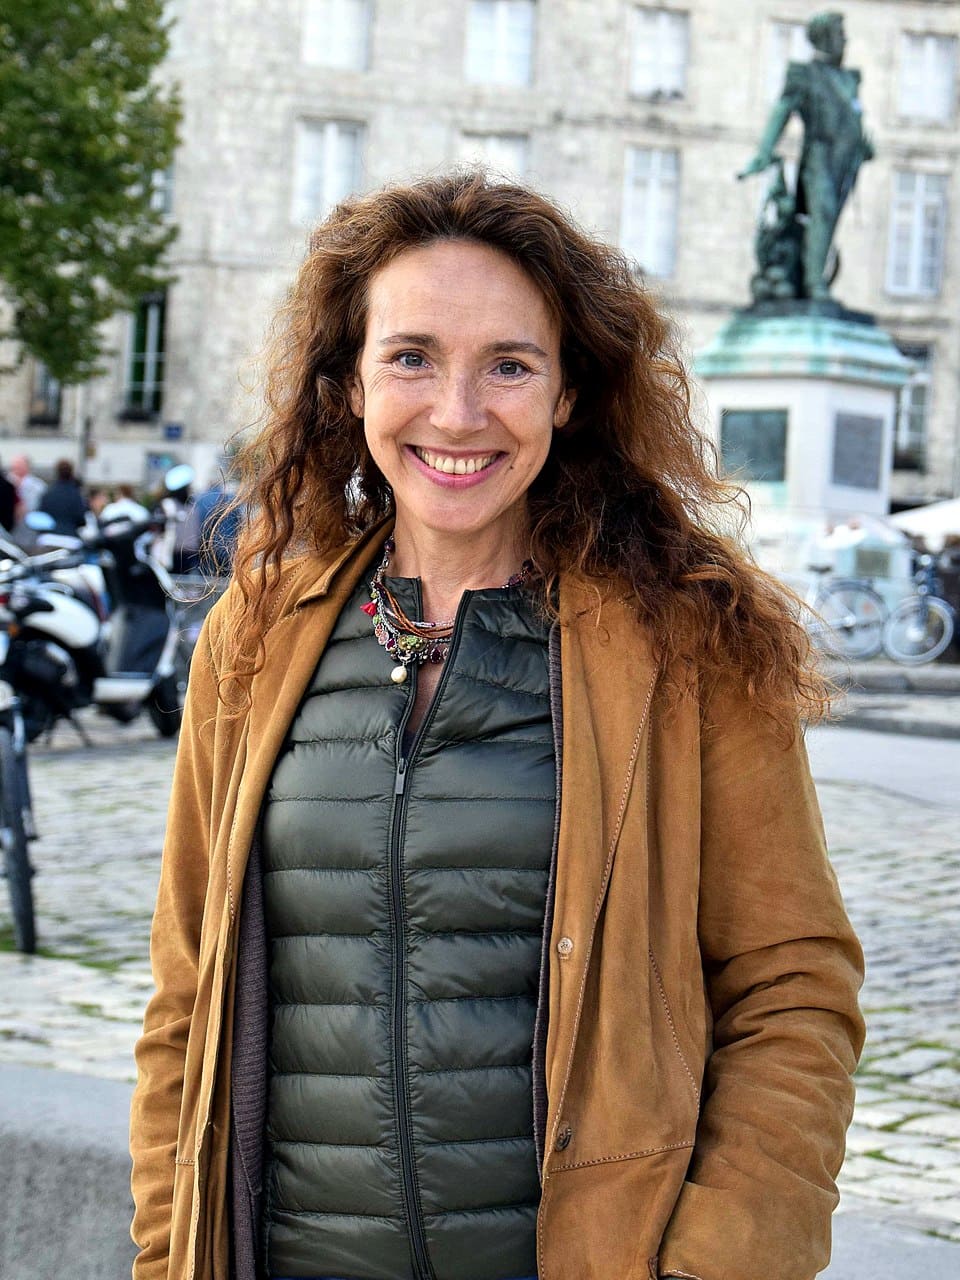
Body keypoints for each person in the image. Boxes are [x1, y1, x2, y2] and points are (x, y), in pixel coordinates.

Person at [130, 172, 864, 1280]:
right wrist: (164, 1251)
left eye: (510, 365)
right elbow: (186, 997)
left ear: (568, 394)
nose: (458, 412)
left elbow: (792, 989)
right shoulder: (258, 631)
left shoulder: (685, 640)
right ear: (350, 384)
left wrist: (720, 1261)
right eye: (411, 357)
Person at [738, 10, 873, 301]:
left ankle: (815, 277)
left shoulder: (848, 79)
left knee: (831, 220)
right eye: (840, 34)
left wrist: (863, 145)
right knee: (822, 213)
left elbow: (852, 117)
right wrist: (764, 152)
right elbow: (782, 110)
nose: (845, 40)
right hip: (819, 157)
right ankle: (814, 283)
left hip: (846, 162)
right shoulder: (806, 74)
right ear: (825, 38)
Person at [39, 457, 87, 535]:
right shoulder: (76, 494)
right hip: (69, 535)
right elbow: (81, 519)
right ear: (71, 472)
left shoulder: (48, 493)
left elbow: (41, 516)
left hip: (48, 535)